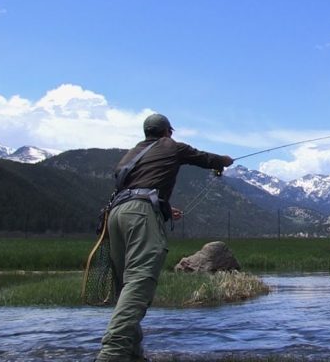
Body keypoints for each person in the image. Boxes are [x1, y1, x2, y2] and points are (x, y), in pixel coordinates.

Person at [97, 113, 233, 361]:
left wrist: (166, 209)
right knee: (139, 281)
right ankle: (112, 353)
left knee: (126, 288)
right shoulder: (171, 146)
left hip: (115, 215)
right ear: (168, 131)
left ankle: (132, 354)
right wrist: (223, 160)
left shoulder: (133, 152)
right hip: (139, 213)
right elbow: (205, 158)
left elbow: (137, 186)